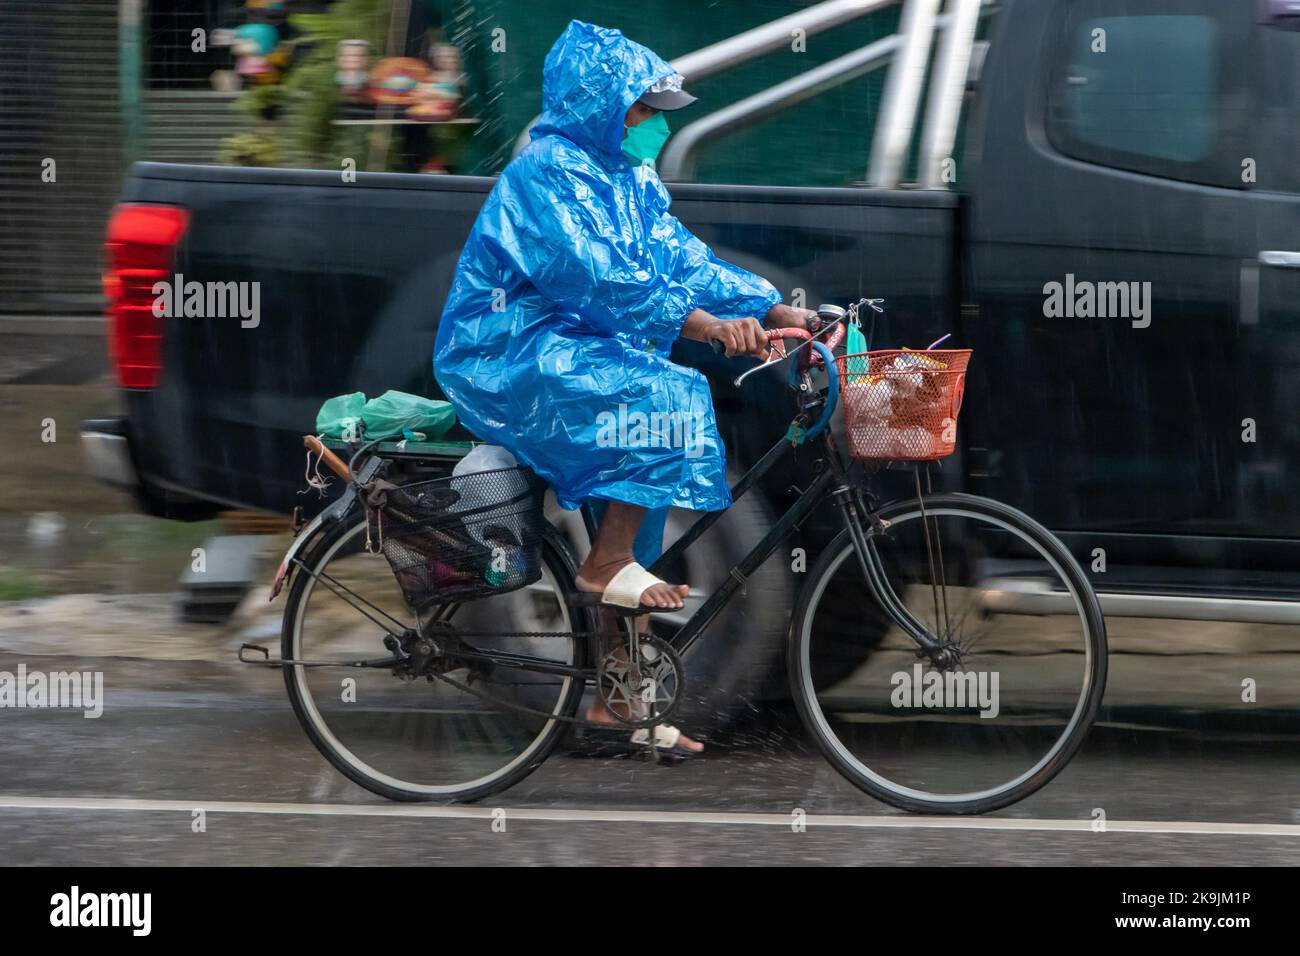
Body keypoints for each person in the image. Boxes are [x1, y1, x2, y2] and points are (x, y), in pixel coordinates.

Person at [433, 20, 813, 756]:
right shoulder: (543, 174)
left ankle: (618, 699)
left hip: (576, 348)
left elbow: (680, 256)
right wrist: (701, 325)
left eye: (656, 112)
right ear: (599, 106)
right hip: (506, 349)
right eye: (641, 110)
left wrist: (767, 305)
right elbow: (594, 277)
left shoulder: (627, 176)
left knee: (636, 521)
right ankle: (603, 562)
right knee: (667, 400)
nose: (652, 125)